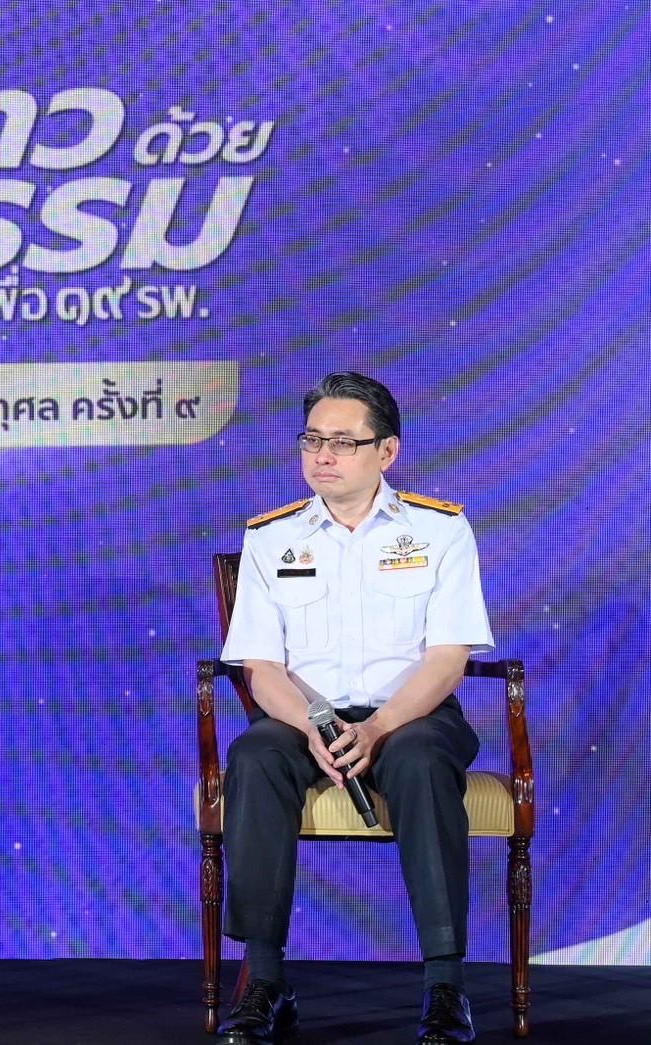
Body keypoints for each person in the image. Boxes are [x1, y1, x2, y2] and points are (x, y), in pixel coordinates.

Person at [216, 372, 494, 1045]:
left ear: (386, 451)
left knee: (421, 759)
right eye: (312, 440)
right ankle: (264, 981)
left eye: (343, 441)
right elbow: (261, 667)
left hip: (411, 714)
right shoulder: (271, 537)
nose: (323, 455)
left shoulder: (439, 530)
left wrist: (376, 728)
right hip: (302, 717)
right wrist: (315, 729)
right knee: (253, 755)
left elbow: (447, 658)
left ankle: (445, 986)